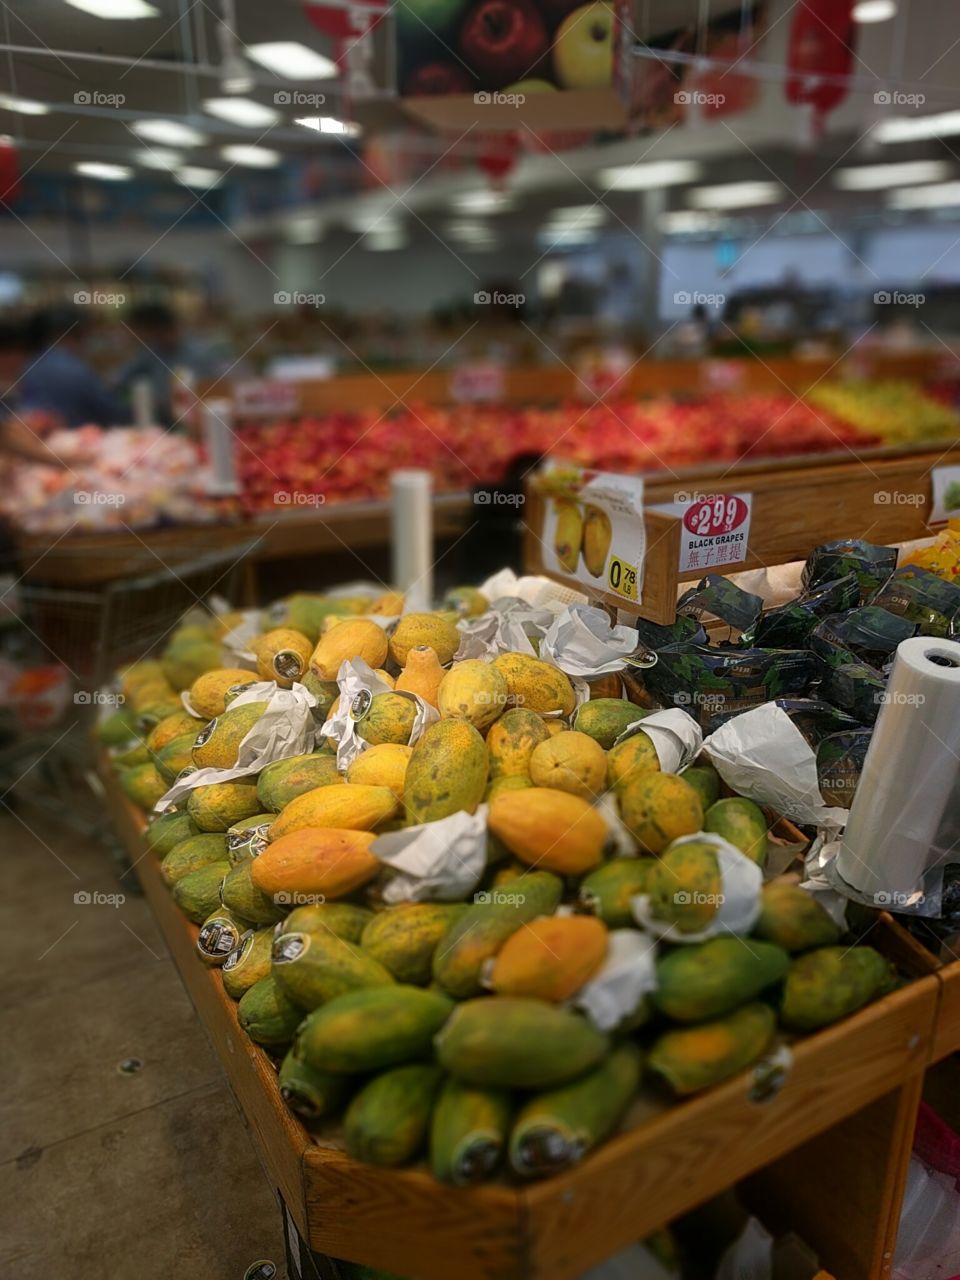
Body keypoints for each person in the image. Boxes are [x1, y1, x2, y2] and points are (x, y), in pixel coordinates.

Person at [18, 307, 125, 429]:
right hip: (78, 440)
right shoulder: (76, 370)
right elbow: (112, 414)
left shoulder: (27, 365)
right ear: (77, 335)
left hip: (34, 439)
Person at [113, 303, 215, 428]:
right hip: (164, 421)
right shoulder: (152, 352)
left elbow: (211, 394)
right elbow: (119, 379)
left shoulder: (200, 354)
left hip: (197, 423)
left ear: (156, 329)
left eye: (139, 332)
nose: (137, 337)